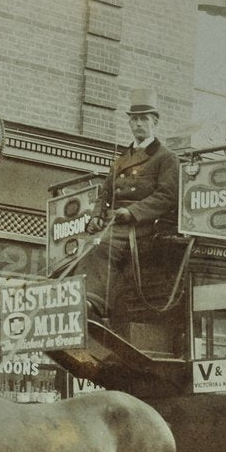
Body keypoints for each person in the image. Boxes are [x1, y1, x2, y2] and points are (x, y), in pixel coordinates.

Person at [77, 88, 179, 317]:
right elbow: (105, 193)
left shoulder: (165, 157)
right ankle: (79, 299)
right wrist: (96, 217)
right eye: (134, 119)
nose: (138, 124)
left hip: (144, 225)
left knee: (101, 246)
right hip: (116, 220)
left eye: (144, 119)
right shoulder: (121, 159)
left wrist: (132, 212)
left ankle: (94, 305)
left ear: (155, 122)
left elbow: (167, 196)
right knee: (82, 247)